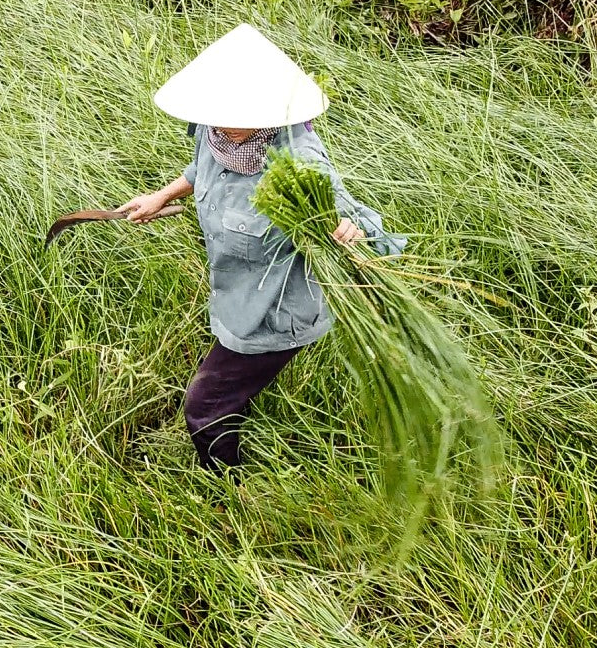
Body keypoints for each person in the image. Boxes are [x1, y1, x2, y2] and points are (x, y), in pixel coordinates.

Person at [119, 24, 405, 472]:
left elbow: (365, 226)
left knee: (204, 406)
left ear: (260, 110)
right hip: (234, 287)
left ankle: (225, 483)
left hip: (273, 312)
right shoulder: (217, 130)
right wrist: (162, 196)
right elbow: (200, 166)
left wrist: (352, 230)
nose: (210, 116)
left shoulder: (299, 164)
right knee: (227, 390)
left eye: (222, 108)